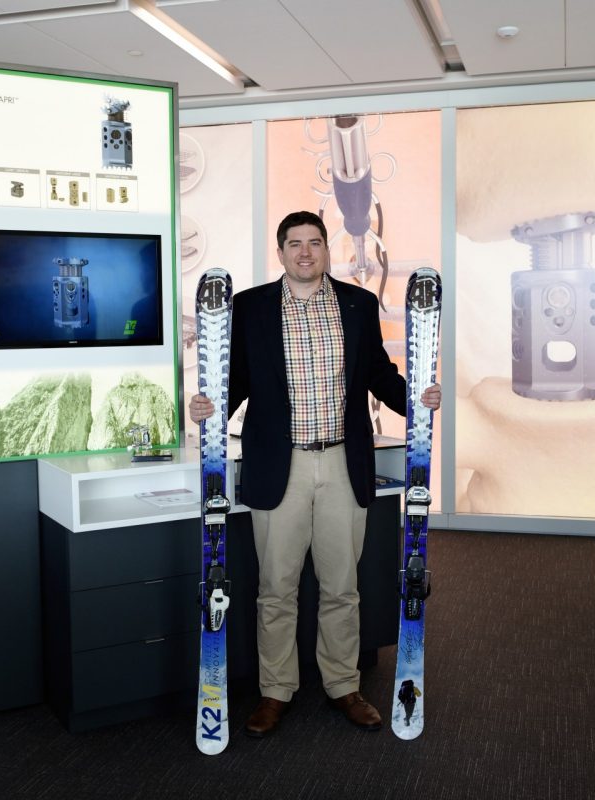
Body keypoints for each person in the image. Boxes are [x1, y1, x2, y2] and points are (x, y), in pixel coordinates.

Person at [189, 210, 441, 737]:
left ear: (327, 250)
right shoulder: (250, 307)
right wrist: (204, 407)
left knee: (342, 585)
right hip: (279, 464)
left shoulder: (358, 304)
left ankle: (343, 685)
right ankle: (275, 691)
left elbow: (378, 373)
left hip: (343, 462)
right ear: (280, 252)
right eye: (295, 244)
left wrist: (416, 400)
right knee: (276, 588)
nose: (305, 252)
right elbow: (233, 380)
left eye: (315, 243)